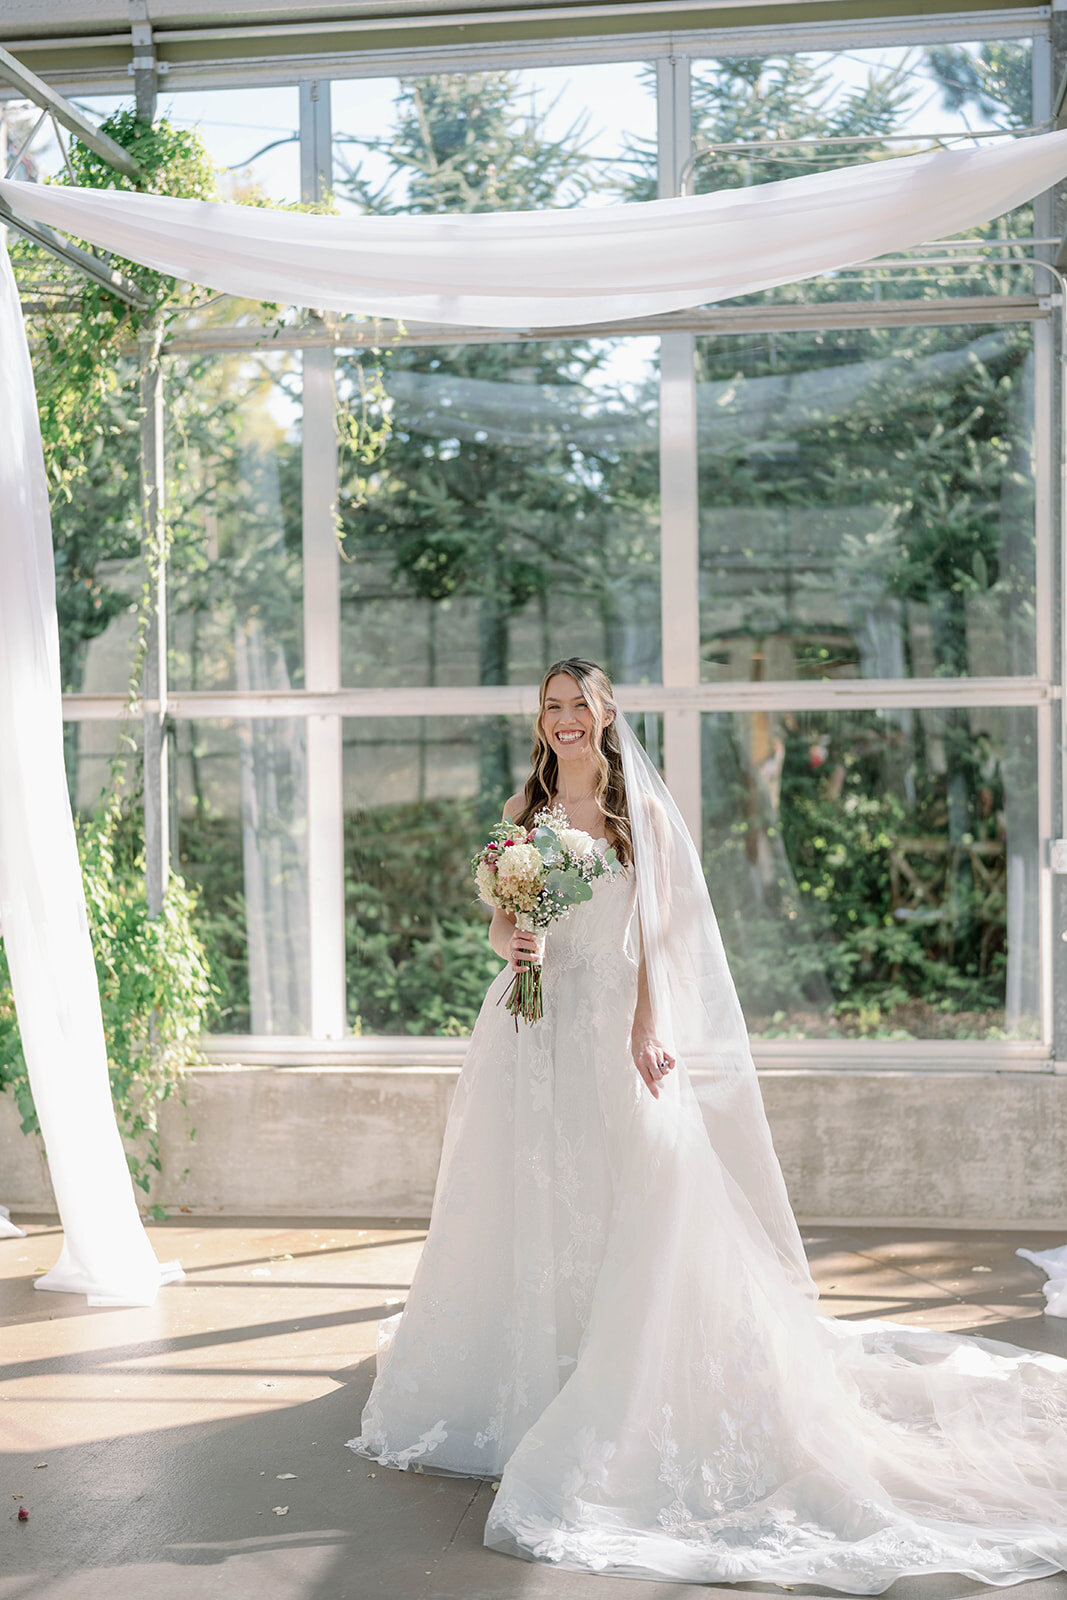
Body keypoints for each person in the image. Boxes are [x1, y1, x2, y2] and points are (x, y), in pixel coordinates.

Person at [347, 657, 1067, 1593]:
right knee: (523, 1194)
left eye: (578, 707)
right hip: (528, 1029)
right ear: (540, 721)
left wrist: (648, 1028)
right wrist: (510, 940)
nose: (563, 721)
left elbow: (660, 932)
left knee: (630, 1193)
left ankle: (622, 1379)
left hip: (609, 1024)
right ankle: (524, 1374)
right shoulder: (523, 819)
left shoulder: (634, 815)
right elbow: (498, 921)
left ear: (604, 717)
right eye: (550, 709)